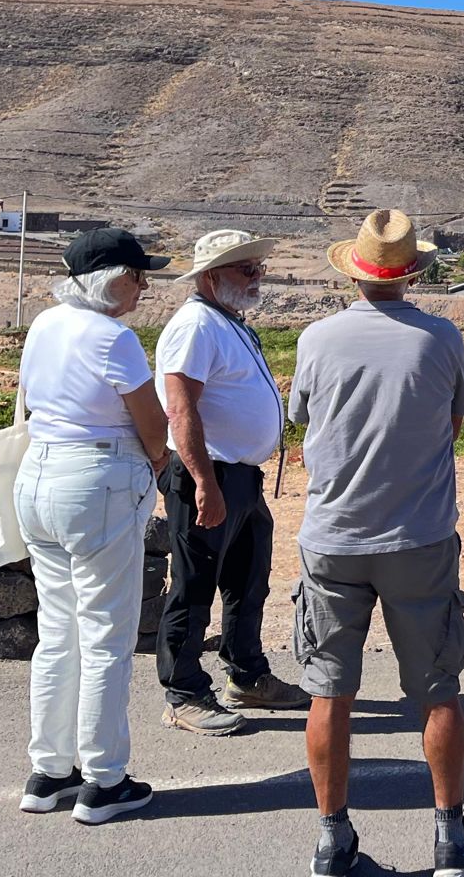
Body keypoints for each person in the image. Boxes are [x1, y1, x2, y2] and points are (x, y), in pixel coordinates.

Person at [289, 209, 464, 877]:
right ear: (411, 272)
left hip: (333, 535)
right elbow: (453, 422)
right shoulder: (440, 339)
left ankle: (332, 838)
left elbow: (304, 426)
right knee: (437, 690)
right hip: (418, 536)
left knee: (331, 693)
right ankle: (449, 835)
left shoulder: (316, 339)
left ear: (355, 271)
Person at [12, 227, 173, 825]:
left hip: (40, 473)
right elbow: (151, 423)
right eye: (137, 276)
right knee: (106, 632)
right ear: (112, 280)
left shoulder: (45, 324)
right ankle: (103, 780)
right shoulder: (116, 337)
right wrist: (157, 462)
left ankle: (50, 771)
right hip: (98, 479)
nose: (143, 287)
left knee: (58, 632)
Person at [153, 229, 308, 734]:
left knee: (247, 582)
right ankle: (184, 693)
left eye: (258, 268)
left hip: (240, 476)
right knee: (194, 587)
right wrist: (204, 482)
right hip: (211, 475)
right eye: (246, 270)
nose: (257, 278)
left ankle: (247, 675)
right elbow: (181, 408)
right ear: (211, 276)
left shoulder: (227, 321)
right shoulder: (196, 325)